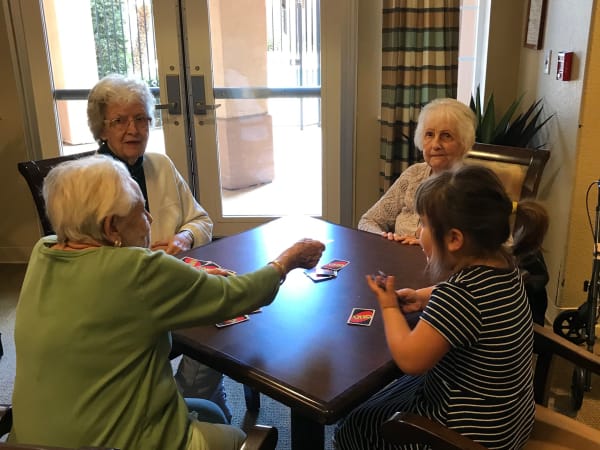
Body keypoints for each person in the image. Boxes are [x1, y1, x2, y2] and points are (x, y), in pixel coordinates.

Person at [9, 154, 325, 450]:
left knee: (208, 410)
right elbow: (237, 295)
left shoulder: (43, 250)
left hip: (29, 442)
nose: (149, 218)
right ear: (111, 227)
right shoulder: (136, 270)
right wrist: (286, 260)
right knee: (237, 436)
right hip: (115, 443)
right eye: (140, 210)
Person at [335, 164, 548, 450]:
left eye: (422, 223)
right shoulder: (507, 266)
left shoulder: (459, 296)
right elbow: (472, 299)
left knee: (355, 425)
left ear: (454, 239)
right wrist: (424, 296)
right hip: (509, 421)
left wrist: (388, 307)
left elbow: (410, 361)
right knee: (383, 399)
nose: (418, 231)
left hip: (463, 437)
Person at [87, 74, 229, 420]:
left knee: (224, 312)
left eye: (141, 119)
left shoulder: (160, 165)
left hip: (170, 282)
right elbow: (90, 261)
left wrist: (183, 238)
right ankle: (177, 406)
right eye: (119, 121)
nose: (133, 129)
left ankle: (204, 400)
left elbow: (203, 222)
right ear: (101, 129)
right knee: (217, 317)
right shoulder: (90, 181)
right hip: (125, 299)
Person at [357, 98, 476, 245]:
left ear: (464, 143)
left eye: (446, 136)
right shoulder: (413, 174)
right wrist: (387, 239)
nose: (436, 144)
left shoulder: (475, 186)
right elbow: (368, 221)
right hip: (398, 260)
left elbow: (498, 245)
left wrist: (428, 245)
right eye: (430, 134)